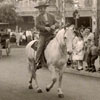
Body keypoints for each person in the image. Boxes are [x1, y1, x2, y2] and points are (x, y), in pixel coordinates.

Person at [34, 1, 58, 69]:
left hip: (51, 34)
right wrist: (44, 28)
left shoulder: (51, 16)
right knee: (40, 46)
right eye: (40, 9)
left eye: (42, 8)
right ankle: (37, 61)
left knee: (60, 43)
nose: (41, 10)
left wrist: (54, 25)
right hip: (43, 35)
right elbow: (37, 26)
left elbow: (57, 23)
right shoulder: (37, 17)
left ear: (45, 8)